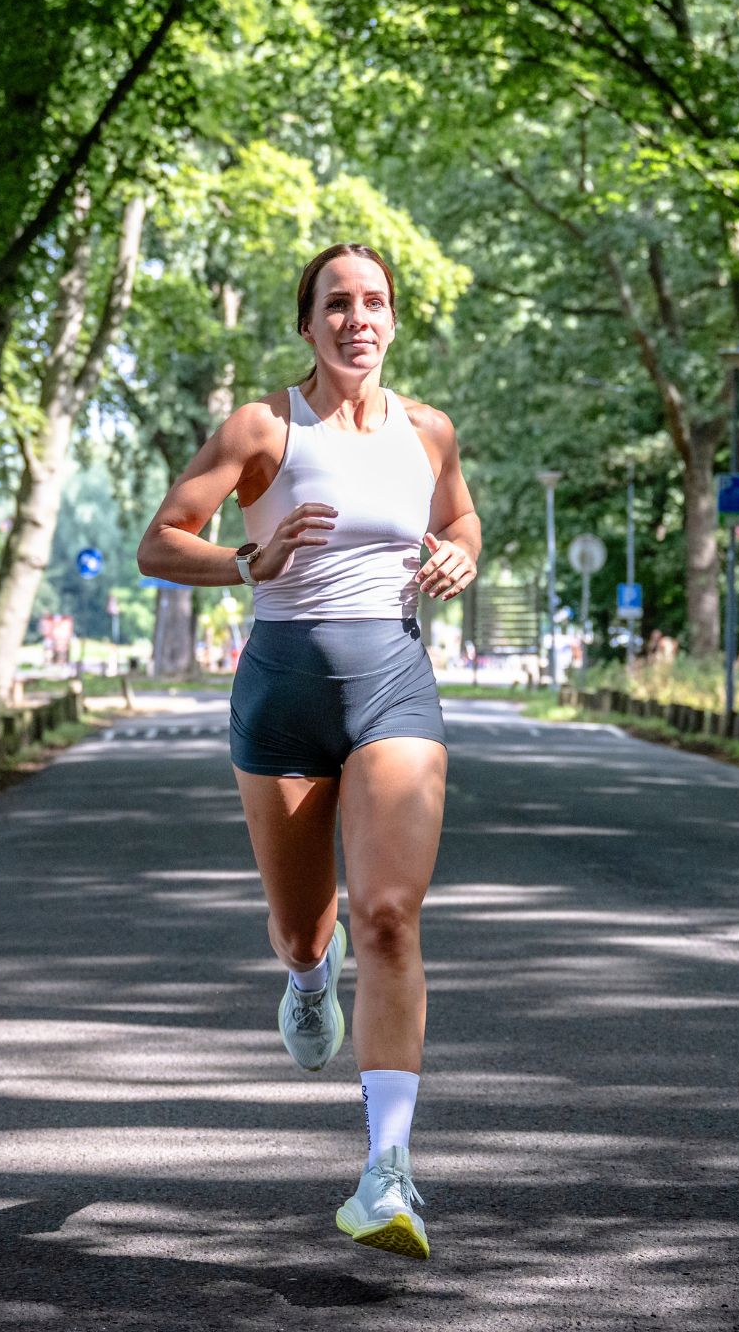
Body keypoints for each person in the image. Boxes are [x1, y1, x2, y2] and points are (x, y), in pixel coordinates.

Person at [136, 242, 479, 1260]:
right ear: (307, 323)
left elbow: (455, 512)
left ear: (393, 319)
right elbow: (161, 539)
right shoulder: (263, 427)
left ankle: (388, 1172)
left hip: (392, 684)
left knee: (388, 915)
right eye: (337, 303)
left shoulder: (428, 430)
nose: (357, 318)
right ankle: (302, 975)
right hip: (281, 695)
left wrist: (459, 549)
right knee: (306, 931)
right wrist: (249, 557)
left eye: (374, 302)